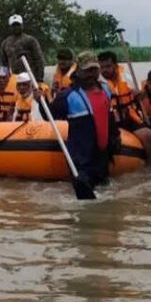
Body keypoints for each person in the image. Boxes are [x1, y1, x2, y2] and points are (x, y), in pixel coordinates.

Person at [48, 52, 118, 198]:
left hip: (102, 158)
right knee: (86, 203)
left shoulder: (106, 90)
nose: (92, 74)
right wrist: (40, 99)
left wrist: (115, 138)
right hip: (81, 161)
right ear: (78, 71)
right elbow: (49, 115)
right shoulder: (68, 96)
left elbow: (110, 118)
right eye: (87, 71)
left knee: (105, 200)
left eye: (94, 69)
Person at [98, 50, 151, 163]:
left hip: (129, 117)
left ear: (115, 65)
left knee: (148, 134)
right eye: (102, 67)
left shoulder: (126, 76)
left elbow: (142, 94)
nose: (104, 70)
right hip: (110, 120)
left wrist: (141, 94)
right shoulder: (97, 81)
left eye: (108, 66)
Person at [0, 14, 46, 83]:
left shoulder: (30, 40)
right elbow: (4, 63)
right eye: (14, 25)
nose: (16, 27)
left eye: (18, 25)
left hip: (30, 78)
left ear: (22, 25)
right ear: (10, 27)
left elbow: (39, 60)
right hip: (14, 79)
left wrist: (39, 78)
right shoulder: (5, 43)